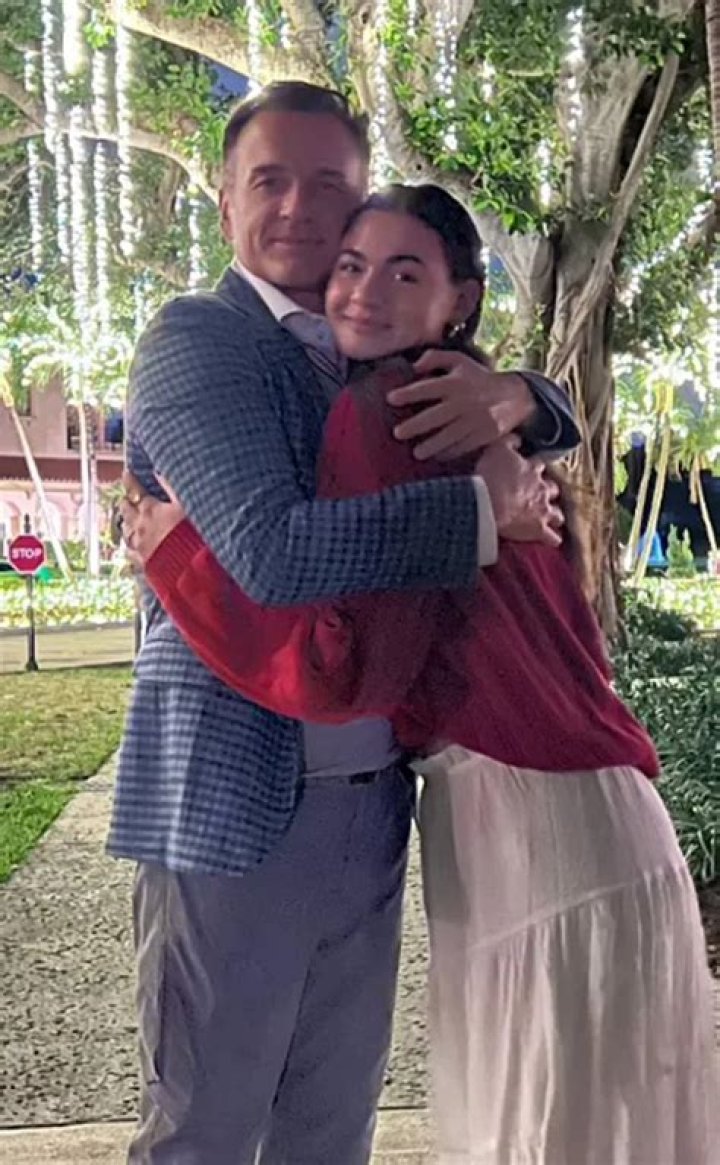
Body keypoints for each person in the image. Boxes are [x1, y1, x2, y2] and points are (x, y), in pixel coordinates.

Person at [123, 183, 718, 1165]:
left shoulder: (387, 410)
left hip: (527, 822)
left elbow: (340, 669)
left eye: (403, 272)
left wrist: (180, 557)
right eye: (353, 266)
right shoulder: (463, 406)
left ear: (460, 301)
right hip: (586, 813)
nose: (363, 289)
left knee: (529, 1133)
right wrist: (525, 396)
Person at [111, 81, 579, 1165]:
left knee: (332, 1129)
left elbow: (510, 399)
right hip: (233, 803)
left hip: (369, 802)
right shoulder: (199, 341)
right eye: (269, 180)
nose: (298, 208)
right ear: (225, 201)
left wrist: (522, 397)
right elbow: (272, 554)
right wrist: (480, 511)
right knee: (207, 1129)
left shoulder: (370, 347)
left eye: (329, 184)